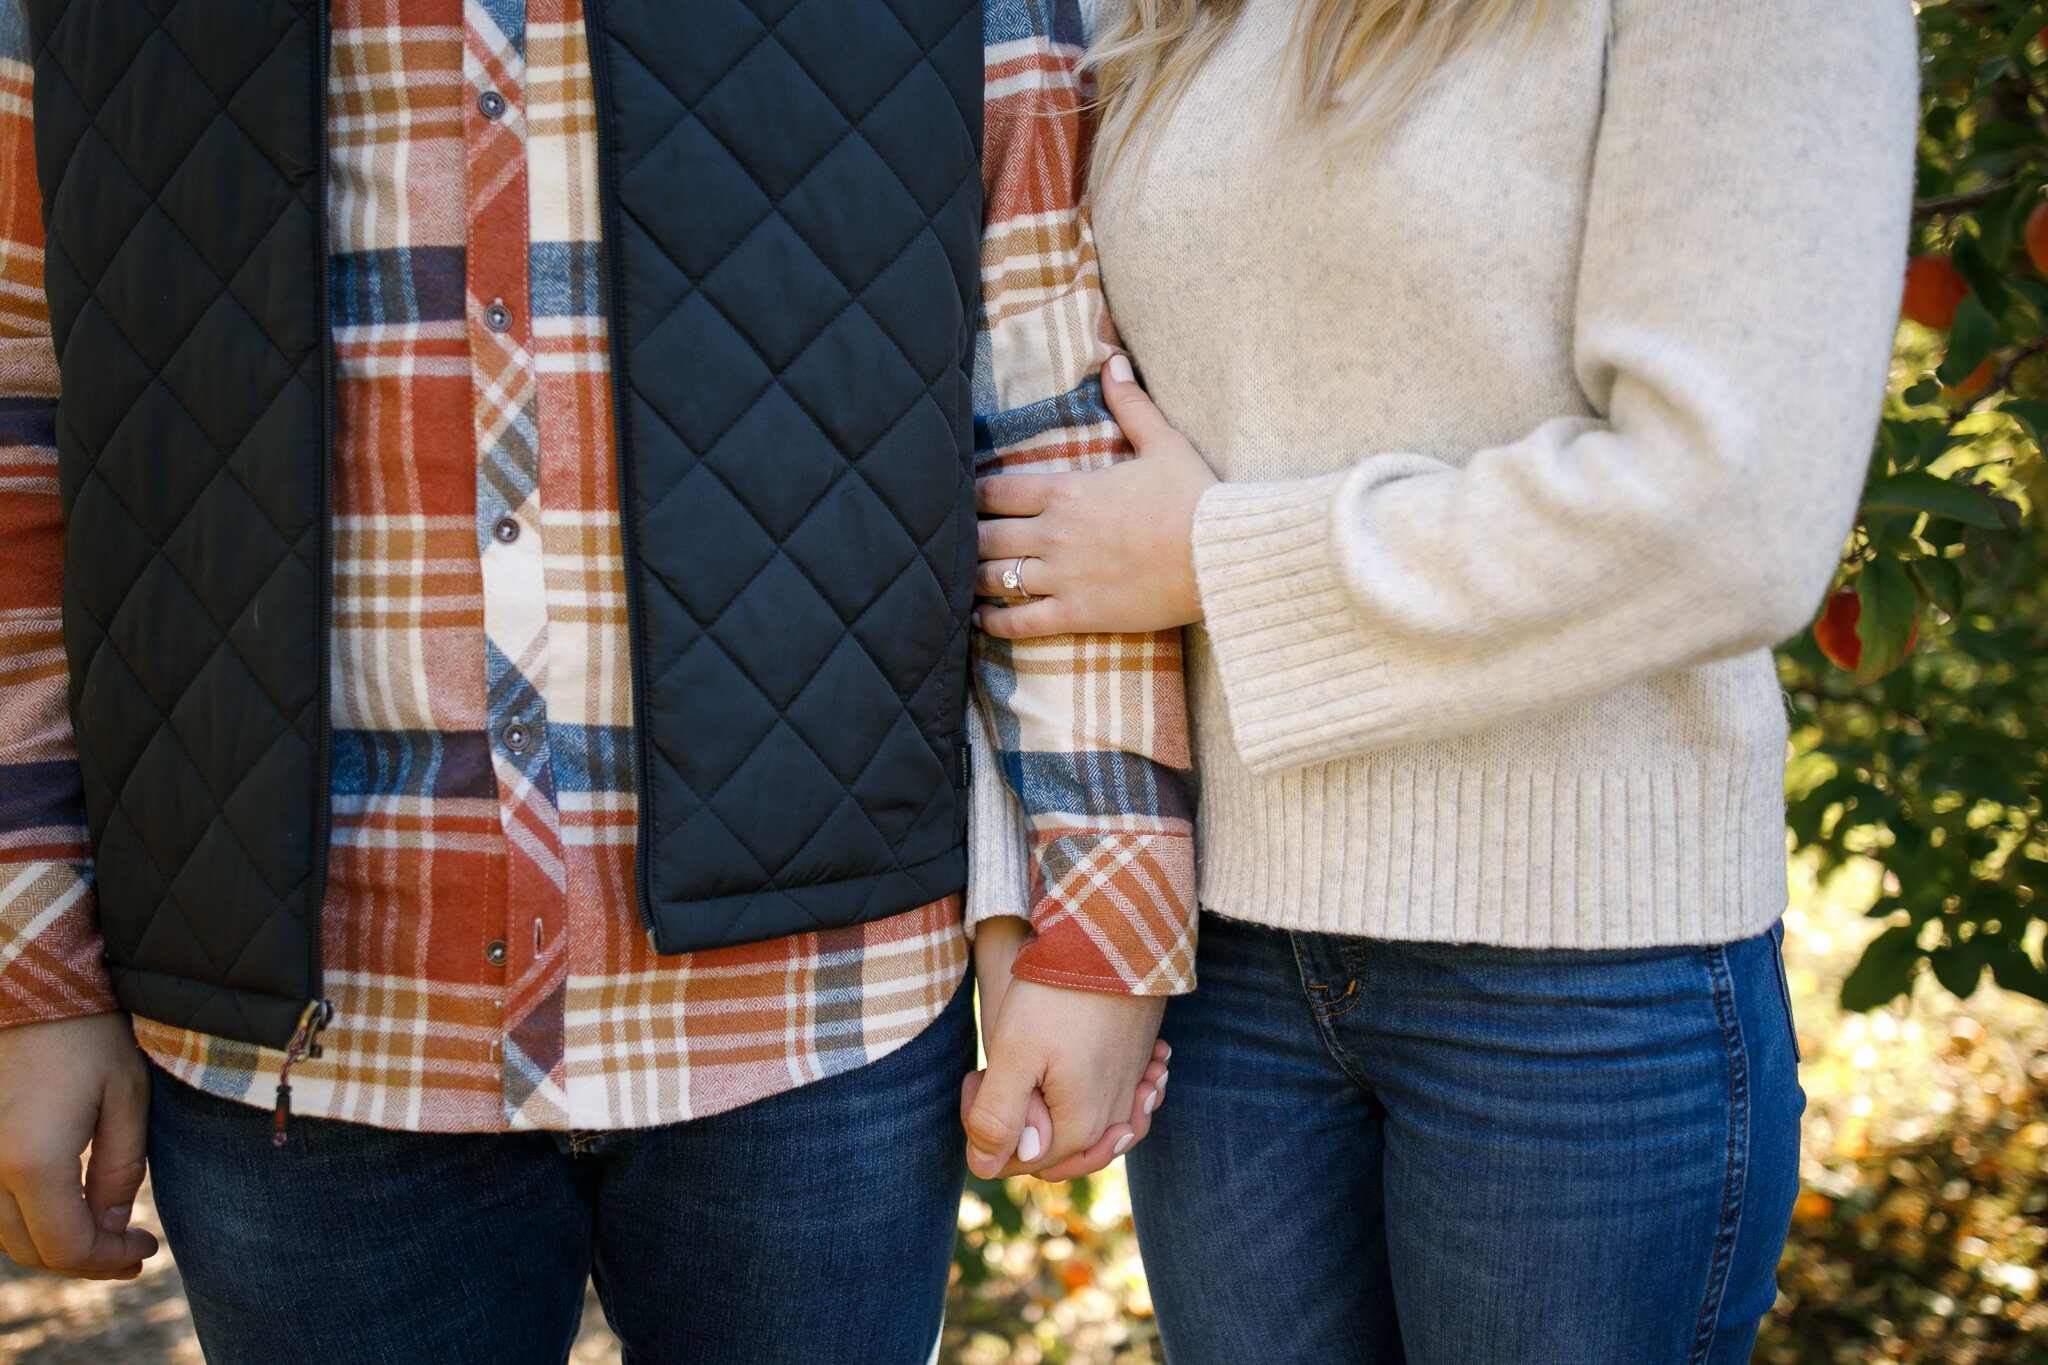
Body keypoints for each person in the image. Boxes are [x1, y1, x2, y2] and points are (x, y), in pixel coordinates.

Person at [0, 0, 1191, 1358]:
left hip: (815, 1020)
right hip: (316, 1052)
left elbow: (1050, 410)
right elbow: (24, 439)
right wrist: (34, 964)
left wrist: (1102, 916)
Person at [973, 0, 1919, 1360]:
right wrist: (1053, 909)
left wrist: (1217, 557)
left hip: (1577, 983)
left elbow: (1733, 511)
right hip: (1227, 966)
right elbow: (1036, 413)